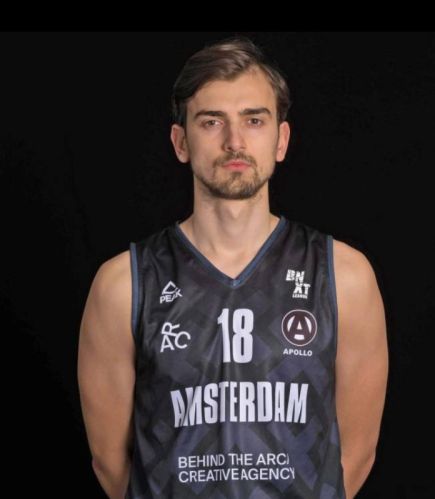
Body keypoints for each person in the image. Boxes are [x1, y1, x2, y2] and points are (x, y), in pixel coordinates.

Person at [77, 36, 388, 499]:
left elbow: (356, 455)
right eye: (211, 121)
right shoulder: (124, 284)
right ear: (181, 142)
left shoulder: (343, 276)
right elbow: (110, 461)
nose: (235, 141)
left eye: (254, 120)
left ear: (281, 139)